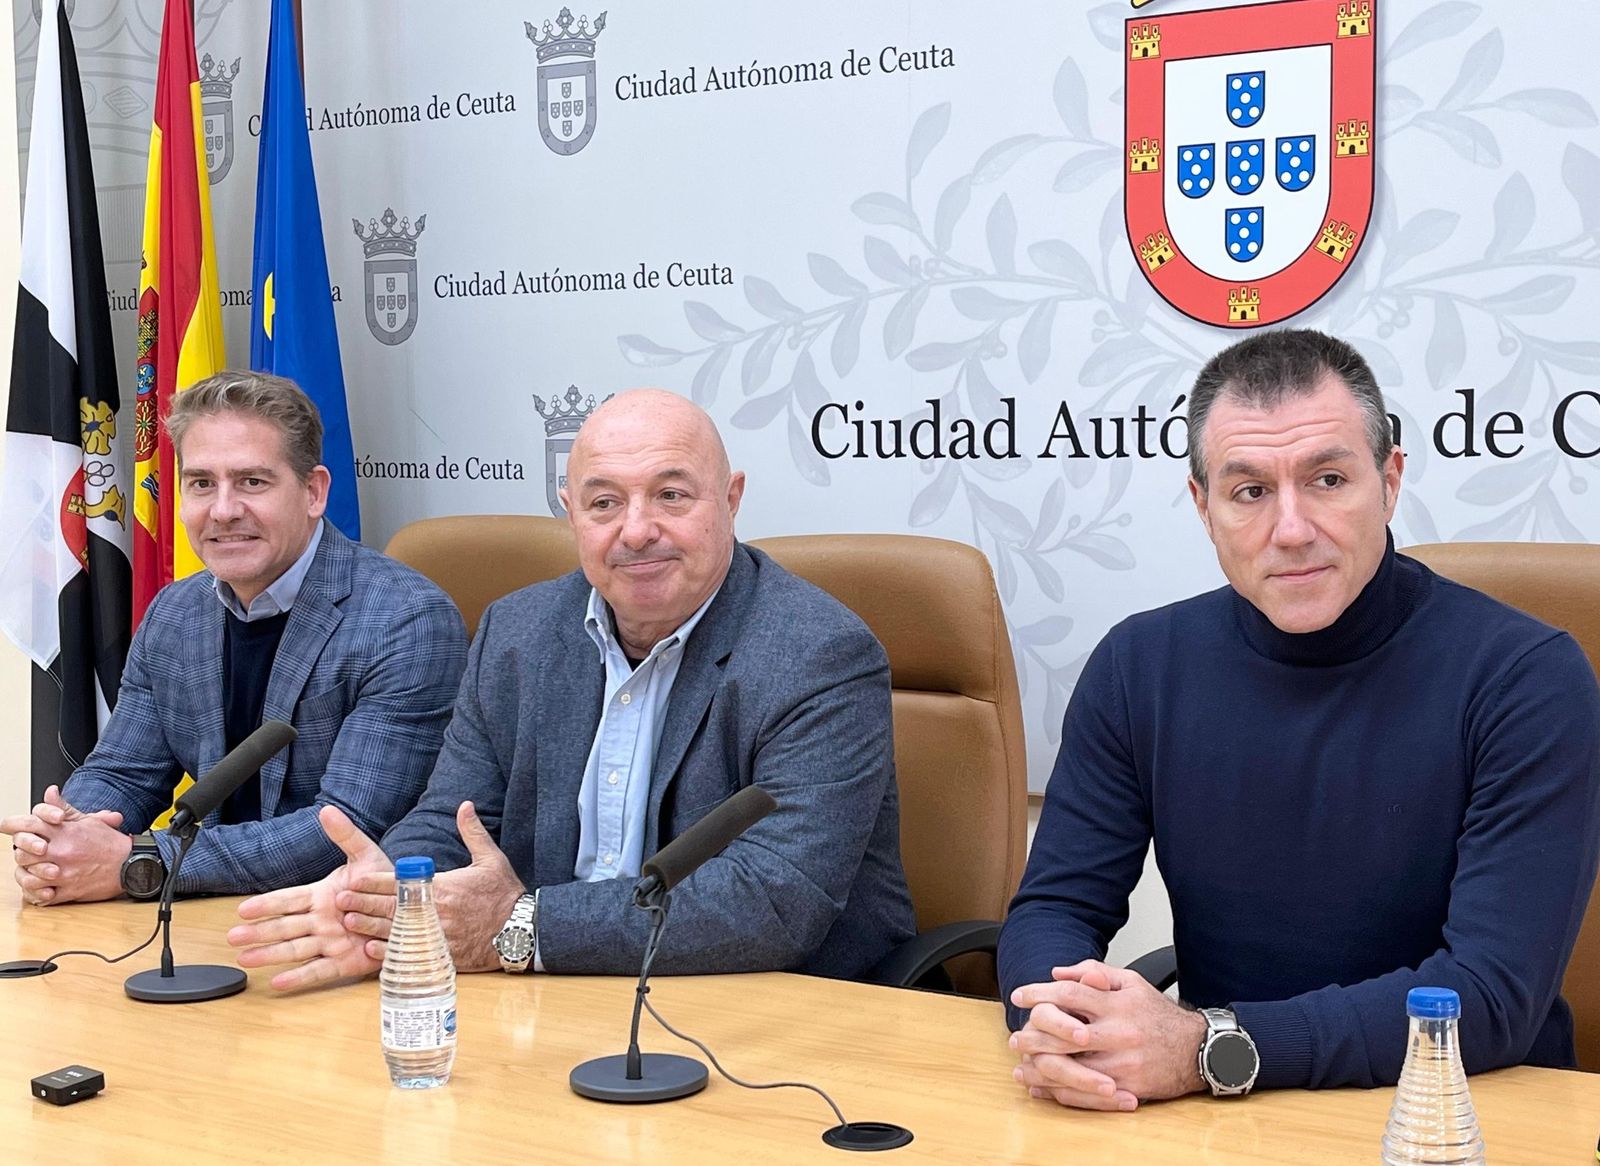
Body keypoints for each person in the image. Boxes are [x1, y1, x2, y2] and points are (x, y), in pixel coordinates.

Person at [999, 329, 1600, 1110]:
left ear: (1389, 481)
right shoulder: (1139, 665)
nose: (1291, 529)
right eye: (1249, 490)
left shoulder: (1527, 677)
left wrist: (1209, 1046)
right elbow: (1055, 908)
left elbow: (1488, 997)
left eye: (1326, 479)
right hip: (1225, 1111)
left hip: (1463, 1110)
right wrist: (1068, 1023)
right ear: (1203, 507)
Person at [226, 388, 915, 986]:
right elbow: (456, 821)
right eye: (604, 503)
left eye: (671, 496)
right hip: (546, 998)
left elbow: (775, 900)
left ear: (730, 500)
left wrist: (523, 928)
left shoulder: (818, 653)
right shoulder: (518, 631)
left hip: (765, 1015)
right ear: (570, 513)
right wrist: (390, 902)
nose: (637, 530)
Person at [1, 371, 467, 902]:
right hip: (201, 916)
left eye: (252, 482)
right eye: (201, 484)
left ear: (314, 492)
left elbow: (344, 830)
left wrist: (139, 861)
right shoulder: (175, 612)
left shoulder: (406, 620)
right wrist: (65, 836)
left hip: (336, 919)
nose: (223, 510)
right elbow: (124, 771)